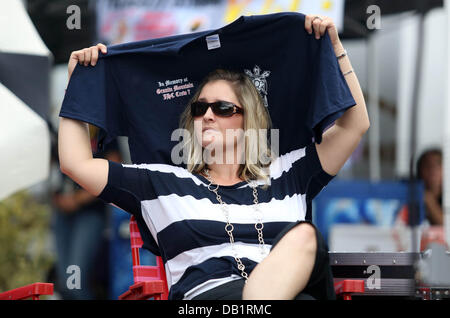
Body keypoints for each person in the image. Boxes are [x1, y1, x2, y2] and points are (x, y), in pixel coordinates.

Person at [58, 14, 369, 300]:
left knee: (305, 239)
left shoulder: (287, 173)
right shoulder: (163, 182)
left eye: (222, 108)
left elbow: (354, 126)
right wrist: (80, 87)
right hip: (209, 299)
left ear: (249, 121)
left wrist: (334, 47)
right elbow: (76, 164)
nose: (207, 115)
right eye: (199, 108)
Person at [51, 124, 122, 300]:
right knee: (66, 284)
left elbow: (114, 173)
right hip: (63, 213)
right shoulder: (66, 129)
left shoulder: (104, 129)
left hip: (89, 213)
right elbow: (53, 167)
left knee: (76, 283)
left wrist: (77, 199)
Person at [417, 148, 443, 226]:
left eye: (438, 164)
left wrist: (430, 201)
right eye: (427, 165)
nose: (433, 169)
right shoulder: (411, 195)